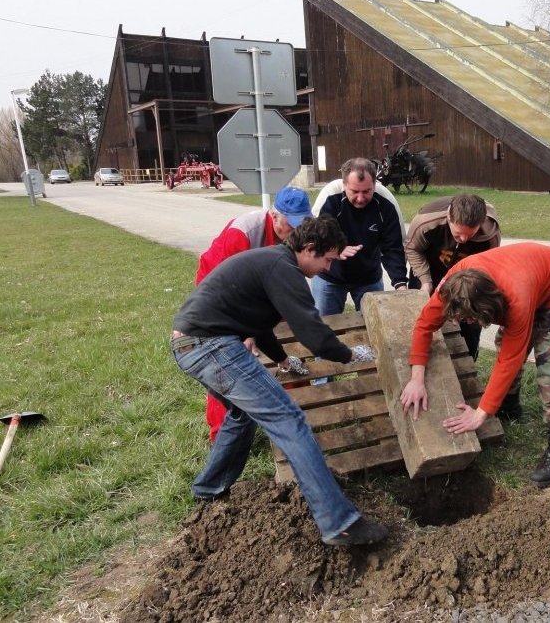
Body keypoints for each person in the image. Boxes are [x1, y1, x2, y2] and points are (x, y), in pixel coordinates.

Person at [170, 216, 388, 546]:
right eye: (327, 260)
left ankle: (208, 488)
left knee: (242, 415)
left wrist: (284, 360)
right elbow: (313, 333)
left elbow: (256, 323)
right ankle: (338, 523)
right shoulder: (283, 269)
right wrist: (350, 355)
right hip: (209, 345)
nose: (328, 269)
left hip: (192, 343)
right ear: (310, 249)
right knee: (290, 421)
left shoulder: (274, 262)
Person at [399, 243, 550, 488]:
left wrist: (480, 414)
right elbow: (424, 325)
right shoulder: (450, 288)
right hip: (529, 276)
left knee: (549, 364)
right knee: (504, 345)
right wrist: (417, 378)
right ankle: (509, 407)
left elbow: (510, 359)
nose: (463, 322)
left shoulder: (516, 299)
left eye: (469, 319)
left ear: (487, 306)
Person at [195, 186, 313, 442]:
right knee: (227, 361)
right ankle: (221, 434)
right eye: (290, 225)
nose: (296, 232)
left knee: (290, 342)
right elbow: (228, 287)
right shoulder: (243, 232)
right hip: (219, 292)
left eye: (301, 224)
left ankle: (300, 417)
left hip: (262, 291)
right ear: (274, 215)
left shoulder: (298, 234)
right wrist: (245, 331)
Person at [404, 193, 501, 363]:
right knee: (423, 314)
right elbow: (412, 249)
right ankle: (416, 359)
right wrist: (426, 282)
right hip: (430, 268)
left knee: (470, 321)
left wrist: (465, 298)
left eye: (470, 235)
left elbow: (487, 266)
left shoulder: (490, 232)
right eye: (458, 234)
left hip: (467, 274)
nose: (463, 240)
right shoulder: (426, 222)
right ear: (449, 217)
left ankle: (467, 365)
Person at [312, 158, 408, 316]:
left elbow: (393, 248)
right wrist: (335, 249)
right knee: (323, 326)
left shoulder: (386, 203)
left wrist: (400, 283)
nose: (361, 198)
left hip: (369, 277)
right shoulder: (330, 197)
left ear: (375, 185)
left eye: (366, 191)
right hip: (330, 276)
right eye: (355, 192)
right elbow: (316, 237)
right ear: (344, 185)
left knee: (375, 325)